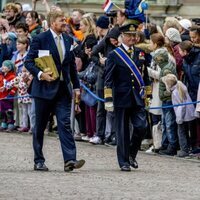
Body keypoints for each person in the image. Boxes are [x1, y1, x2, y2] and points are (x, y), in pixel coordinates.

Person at [25, 10, 85, 172]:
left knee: (65, 124)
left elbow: (71, 66)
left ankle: (70, 160)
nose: (65, 23)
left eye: (65, 21)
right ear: (52, 23)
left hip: (63, 90)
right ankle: (39, 160)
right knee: (40, 126)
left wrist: (77, 86)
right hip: (43, 90)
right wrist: (40, 74)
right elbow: (28, 61)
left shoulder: (68, 40)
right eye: (61, 21)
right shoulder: (40, 39)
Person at [104, 23, 150, 171]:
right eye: (129, 35)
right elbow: (108, 78)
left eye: (134, 35)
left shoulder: (140, 53)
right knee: (122, 131)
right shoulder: (114, 54)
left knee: (141, 127)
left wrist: (147, 94)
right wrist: (109, 98)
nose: (132, 38)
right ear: (122, 37)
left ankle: (131, 154)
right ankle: (123, 161)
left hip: (137, 96)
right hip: (121, 97)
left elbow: (145, 75)